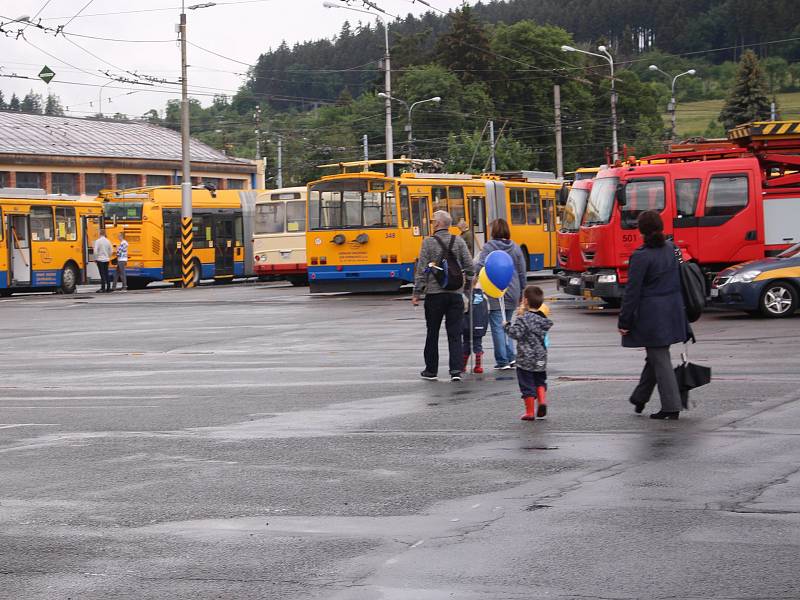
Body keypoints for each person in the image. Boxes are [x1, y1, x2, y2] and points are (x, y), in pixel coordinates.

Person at [618, 210, 691, 420]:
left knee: (660, 358)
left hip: (652, 315)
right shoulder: (673, 249)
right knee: (656, 356)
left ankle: (671, 406)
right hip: (675, 309)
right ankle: (640, 398)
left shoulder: (641, 256)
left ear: (640, 230)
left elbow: (632, 292)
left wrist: (625, 321)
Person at [412, 210, 474, 382]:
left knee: (432, 332)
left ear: (438, 224)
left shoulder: (428, 243)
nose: (432, 224)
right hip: (455, 295)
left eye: (433, 221)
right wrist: (466, 285)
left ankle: (431, 370)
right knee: (455, 333)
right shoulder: (459, 241)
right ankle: (456, 370)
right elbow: (470, 267)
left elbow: (422, 269)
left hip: (434, 295)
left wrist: (417, 292)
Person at [474, 218, 527, 369]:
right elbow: (522, 272)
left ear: (494, 231)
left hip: (495, 290)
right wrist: (522, 292)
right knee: (507, 324)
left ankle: (503, 360)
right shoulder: (516, 248)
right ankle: (511, 358)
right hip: (514, 290)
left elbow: (480, 267)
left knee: (497, 325)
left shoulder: (489, 247)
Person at [505, 285, 553, 421]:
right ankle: (542, 401)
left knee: (526, 384)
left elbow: (516, 333)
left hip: (525, 358)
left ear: (525, 301)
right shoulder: (543, 320)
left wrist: (506, 326)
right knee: (540, 380)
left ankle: (530, 412)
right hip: (541, 357)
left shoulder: (523, 319)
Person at [462, 287, 489, 373]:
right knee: (478, 345)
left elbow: (464, 309)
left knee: (466, 345)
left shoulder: (465, 295)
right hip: (480, 324)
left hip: (468, 325)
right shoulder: (483, 296)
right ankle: (478, 366)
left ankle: (463, 366)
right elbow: (487, 310)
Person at [93, 229, 113, 293]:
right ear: (105, 234)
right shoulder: (108, 241)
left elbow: (95, 251)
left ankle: (103, 288)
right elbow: (111, 251)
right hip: (106, 259)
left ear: (100, 233)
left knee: (102, 274)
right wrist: (108, 256)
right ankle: (108, 287)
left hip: (100, 259)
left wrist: (96, 258)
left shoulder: (98, 241)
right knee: (106, 273)